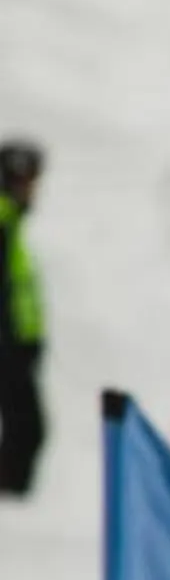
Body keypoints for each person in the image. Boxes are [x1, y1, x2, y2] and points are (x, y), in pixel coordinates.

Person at [0, 138, 43, 498]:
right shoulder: (2, 221)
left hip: (17, 345)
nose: (33, 190)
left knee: (28, 427)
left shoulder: (10, 221)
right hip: (8, 346)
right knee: (29, 427)